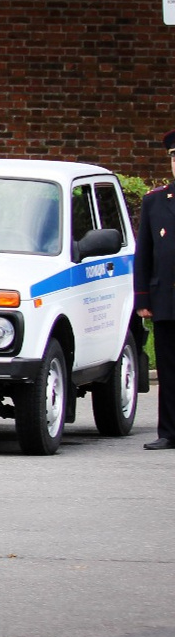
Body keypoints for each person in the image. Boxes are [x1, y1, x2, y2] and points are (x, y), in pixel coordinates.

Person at [134, 130, 175, 450]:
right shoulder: (155, 201)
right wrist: (143, 298)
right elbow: (144, 253)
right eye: (174, 158)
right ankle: (169, 432)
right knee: (170, 367)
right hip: (166, 299)